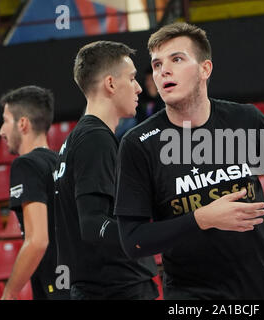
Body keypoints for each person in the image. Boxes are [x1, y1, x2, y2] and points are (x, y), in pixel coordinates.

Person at [114, 22, 264, 300]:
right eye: (157, 65)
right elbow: (133, 241)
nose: (163, 71)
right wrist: (201, 218)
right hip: (195, 295)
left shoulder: (243, 121)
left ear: (205, 69)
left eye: (177, 59)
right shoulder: (140, 144)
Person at [53, 41, 158, 300]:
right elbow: (92, 225)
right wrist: (157, 235)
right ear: (111, 84)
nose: (139, 87)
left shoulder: (75, 140)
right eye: (132, 78)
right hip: (117, 289)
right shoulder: (94, 140)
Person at [0, 85, 69, 300]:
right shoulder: (61, 162)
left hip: (56, 286)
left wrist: (9, 293)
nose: (1, 130)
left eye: (5, 120)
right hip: (78, 282)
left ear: (22, 124)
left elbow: (37, 240)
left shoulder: (25, 165)